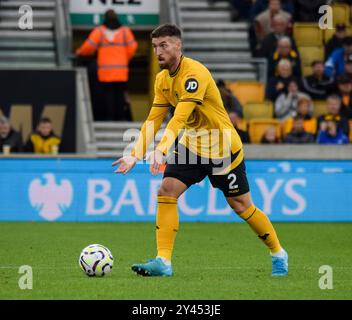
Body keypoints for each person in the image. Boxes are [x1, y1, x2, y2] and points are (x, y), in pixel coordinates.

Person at [112, 24, 288, 277]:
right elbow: (153, 120)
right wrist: (134, 153)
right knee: (167, 190)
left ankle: (278, 253)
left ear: (178, 46)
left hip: (222, 149)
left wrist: (161, 150)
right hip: (193, 146)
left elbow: (179, 118)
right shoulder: (161, 80)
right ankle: (164, 261)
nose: (158, 52)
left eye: (164, 45)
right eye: (154, 47)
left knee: (241, 206)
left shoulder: (195, 74)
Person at [75, 9, 138, 121]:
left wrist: (79, 52)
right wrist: (125, 59)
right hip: (121, 71)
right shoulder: (125, 31)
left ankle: (109, 117)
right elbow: (132, 48)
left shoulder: (99, 31)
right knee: (119, 95)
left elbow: (89, 47)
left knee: (108, 96)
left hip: (105, 72)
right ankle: (120, 118)